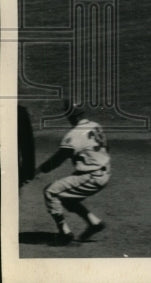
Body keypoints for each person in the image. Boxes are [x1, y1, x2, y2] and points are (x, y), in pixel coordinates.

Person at [32, 104, 111, 245]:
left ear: (71, 116)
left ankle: (65, 233)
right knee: (68, 198)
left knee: (50, 191)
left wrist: (38, 171)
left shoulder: (75, 134)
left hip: (92, 176)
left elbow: (59, 158)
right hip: (105, 172)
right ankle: (94, 223)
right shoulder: (95, 125)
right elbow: (107, 148)